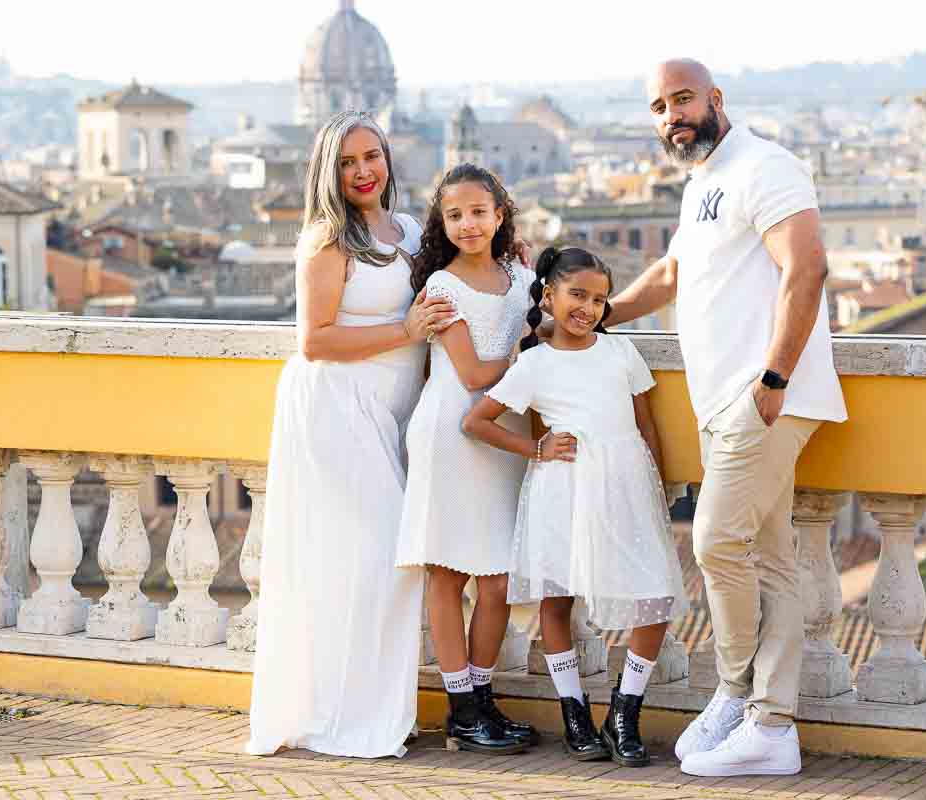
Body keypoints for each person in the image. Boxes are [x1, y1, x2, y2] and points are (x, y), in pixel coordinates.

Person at [605, 59, 848, 777]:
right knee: (769, 561)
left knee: (713, 543)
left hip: (764, 398)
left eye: (682, 99)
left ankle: (736, 693)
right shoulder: (702, 183)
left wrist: (772, 379)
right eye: (658, 106)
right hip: (725, 403)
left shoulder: (766, 166)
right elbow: (673, 276)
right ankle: (770, 726)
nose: (671, 115)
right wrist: (597, 316)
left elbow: (807, 267)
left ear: (715, 98)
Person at [247, 111, 456, 758]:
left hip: (389, 412)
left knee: (368, 563)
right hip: (335, 407)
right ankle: (351, 718)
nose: (363, 170)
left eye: (372, 156)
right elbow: (314, 340)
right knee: (376, 558)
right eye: (347, 161)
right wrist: (407, 332)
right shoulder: (325, 239)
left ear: (389, 159)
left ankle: (366, 711)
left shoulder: (412, 230)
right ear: (328, 171)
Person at [463, 246, 689, 767]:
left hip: (625, 486)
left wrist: (654, 487)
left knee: (654, 597)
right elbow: (477, 421)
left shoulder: (621, 353)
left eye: (599, 300)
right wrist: (535, 448)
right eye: (577, 295)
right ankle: (573, 711)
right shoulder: (534, 364)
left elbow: (645, 425)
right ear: (549, 295)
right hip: (561, 489)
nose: (588, 308)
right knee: (558, 599)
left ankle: (625, 711)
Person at [395, 164, 539, 755]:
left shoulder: (521, 276)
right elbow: (476, 374)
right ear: (442, 222)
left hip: (501, 438)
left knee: (499, 581)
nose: (468, 223)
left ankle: (482, 699)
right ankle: (461, 710)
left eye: (479, 211)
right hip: (452, 433)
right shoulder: (442, 289)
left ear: (500, 215)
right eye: (455, 215)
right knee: (448, 575)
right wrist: (531, 353)